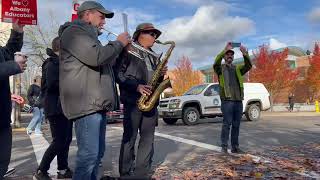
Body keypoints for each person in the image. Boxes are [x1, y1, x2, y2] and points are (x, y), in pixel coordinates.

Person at [58, 1, 130, 179]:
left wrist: (121, 51)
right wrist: (118, 43)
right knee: (88, 156)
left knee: (96, 155)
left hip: (95, 104)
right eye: (101, 16)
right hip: (86, 104)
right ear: (88, 14)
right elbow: (96, 57)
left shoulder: (90, 37)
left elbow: (106, 64)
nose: (104, 22)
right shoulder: (74, 32)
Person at [115, 23, 168, 179]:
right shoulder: (128, 50)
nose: (154, 38)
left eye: (155, 35)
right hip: (133, 102)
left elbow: (155, 82)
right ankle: (125, 173)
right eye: (151, 34)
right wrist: (136, 86)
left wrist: (161, 75)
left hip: (150, 103)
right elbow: (118, 74)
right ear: (139, 34)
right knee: (129, 138)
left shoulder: (153, 56)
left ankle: (141, 174)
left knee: (147, 139)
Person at [33, 37, 73, 180]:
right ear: (61, 48)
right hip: (55, 108)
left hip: (64, 107)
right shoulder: (51, 63)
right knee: (59, 141)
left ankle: (63, 169)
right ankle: (41, 171)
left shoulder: (61, 63)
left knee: (66, 139)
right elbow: (52, 84)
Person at [213, 42, 252, 154]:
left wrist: (245, 54)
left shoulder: (238, 69)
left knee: (236, 125)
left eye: (231, 55)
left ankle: (235, 147)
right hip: (227, 101)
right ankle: (224, 147)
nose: (229, 56)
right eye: (227, 54)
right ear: (225, 57)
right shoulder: (220, 69)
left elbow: (249, 66)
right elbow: (215, 63)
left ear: (233, 57)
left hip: (238, 101)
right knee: (227, 124)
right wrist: (223, 50)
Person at [0, 20, 25, 179]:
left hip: (2, 119)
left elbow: (8, 52)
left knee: (3, 161)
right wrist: (13, 66)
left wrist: (17, 32)